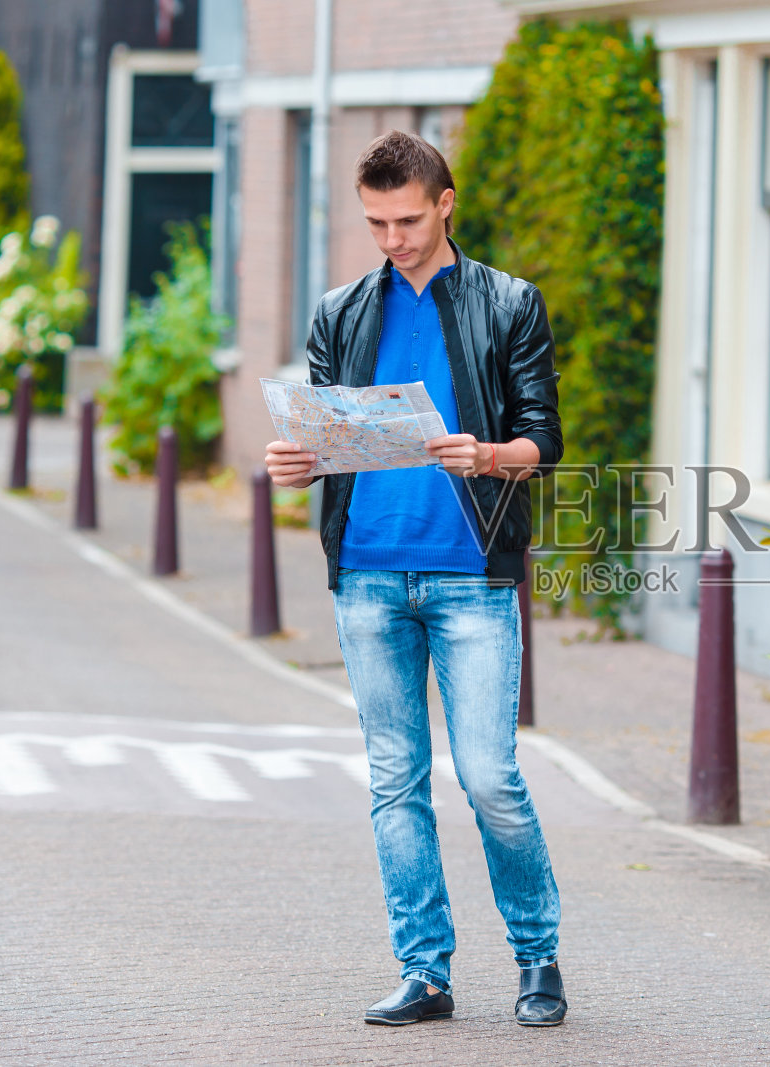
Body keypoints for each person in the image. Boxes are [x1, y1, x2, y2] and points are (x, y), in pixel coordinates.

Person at [264, 130, 566, 1028]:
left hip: (472, 574)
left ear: (445, 203)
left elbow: (544, 439)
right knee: (394, 779)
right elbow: (331, 441)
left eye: (406, 220)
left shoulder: (509, 304)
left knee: (489, 776)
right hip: (366, 575)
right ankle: (424, 970)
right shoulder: (340, 313)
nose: (392, 239)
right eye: (375, 223)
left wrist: (489, 455)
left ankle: (538, 956)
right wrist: (298, 465)